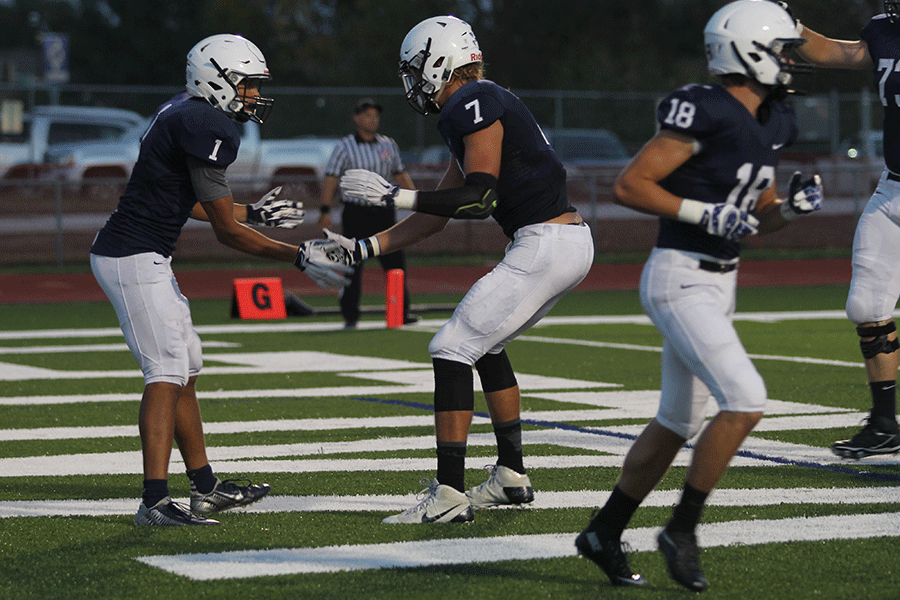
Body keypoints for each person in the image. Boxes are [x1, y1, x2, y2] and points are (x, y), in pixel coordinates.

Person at [574, 0, 823, 592]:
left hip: (720, 281)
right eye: (784, 49)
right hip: (678, 274)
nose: (791, 61)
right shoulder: (705, 107)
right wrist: (703, 211)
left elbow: (755, 218)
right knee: (745, 398)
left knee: (677, 420)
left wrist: (787, 209)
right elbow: (630, 185)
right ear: (748, 49)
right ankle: (682, 528)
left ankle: (604, 531)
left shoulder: (774, 119)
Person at [322, 15, 594, 523]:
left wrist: (394, 192)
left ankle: (448, 493)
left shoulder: (472, 101)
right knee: (485, 344)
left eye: (415, 69)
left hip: (545, 241)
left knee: (451, 346)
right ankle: (511, 475)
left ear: (438, 61)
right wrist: (363, 248)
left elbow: (480, 197)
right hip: (561, 241)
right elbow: (438, 214)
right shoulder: (479, 105)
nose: (411, 82)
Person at [89, 34, 352, 526]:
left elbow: (189, 202)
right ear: (216, 79)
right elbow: (228, 234)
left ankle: (206, 486)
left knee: (185, 364)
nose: (253, 95)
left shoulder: (185, 112)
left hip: (143, 254)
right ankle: (153, 502)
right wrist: (299, 255)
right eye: (247, 84)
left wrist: (252, 210)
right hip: (132, 255)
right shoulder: (205, 122)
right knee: (165, 372)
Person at [780, 1, 900, 459]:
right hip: (892, 190)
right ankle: (885, 423)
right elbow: (834, 53)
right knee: (867, 305)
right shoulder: (885, 31)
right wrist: (787, 23)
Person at [318, 98, 418, 328]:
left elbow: (399, 174)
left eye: (375, 116)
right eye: (367, 115)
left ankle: (401, 311)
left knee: (395, 262)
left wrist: (416, 200)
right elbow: (331, 177)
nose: (373, 120)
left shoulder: (388, 144)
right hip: (356, 212)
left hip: (384, 212)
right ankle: (350, 315)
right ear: (357, 118)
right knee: (353, 263)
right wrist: (325, 209)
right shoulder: (344, 146)